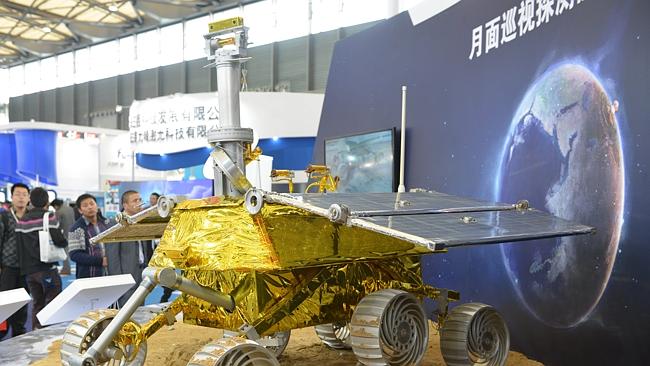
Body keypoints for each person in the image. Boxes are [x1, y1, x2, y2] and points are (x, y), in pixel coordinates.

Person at [15, 187, 67, 329]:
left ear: (30, 200)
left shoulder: (22, 220)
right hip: (46, 268)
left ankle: (36, 333)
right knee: (53, 303)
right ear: (47, 201)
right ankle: (50, 337)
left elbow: (18, 247)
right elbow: (59, 240)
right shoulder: (49, 216)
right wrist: (64, 241)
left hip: (29, 271)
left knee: (37, 303)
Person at [106, 191, 153, 307]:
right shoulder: (116, 223)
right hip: (125, 274)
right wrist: (118, 280)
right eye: (135, 201)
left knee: (140, 308)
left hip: (141, 271)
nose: (139, 203)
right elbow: (112, 256)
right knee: (126, 311)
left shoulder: (140, 220)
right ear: (125, 205)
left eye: (140, 200)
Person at [0, 183, 29, 338]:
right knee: (6, 300)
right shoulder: (4, 216)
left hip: (27, 267)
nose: (21, 197)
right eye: (18, 194)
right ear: (11, 197)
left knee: (23, 300)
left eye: (24, 194)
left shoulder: (32, 217)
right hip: (8, 267)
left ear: (29, 198)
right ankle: (3, 332)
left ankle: (19, 332)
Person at [68, 194, 112, 278]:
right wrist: (101, 261)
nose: (90, 207)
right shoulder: (76, 229)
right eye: (85, 205)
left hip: (110, 272)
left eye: (92, 204)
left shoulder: (107, 223)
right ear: (80, 210)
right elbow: (75, 255)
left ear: (97, 206)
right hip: (89, 274)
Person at [51, 199, 75, 275]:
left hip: (65, 234)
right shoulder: (70, 209)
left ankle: (66, 269)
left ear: (56, 206)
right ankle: (67, 269)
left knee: (65, 253)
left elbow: (57, 224)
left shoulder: (59, 212)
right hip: (74, 232)